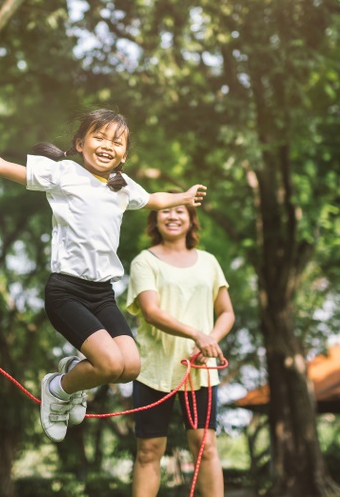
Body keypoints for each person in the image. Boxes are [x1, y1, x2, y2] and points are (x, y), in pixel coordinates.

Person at [0, 106, 207, 442]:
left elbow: (153, 199)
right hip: (67, 292)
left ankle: (73, 373)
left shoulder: (122, 186)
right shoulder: (63, 173)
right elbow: (1, 166)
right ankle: (57, 389)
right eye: (99, 137)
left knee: (130, 367)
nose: (108, 145)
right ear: (80, 143)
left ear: (124, 155)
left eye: (117, 142)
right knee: (109, 364)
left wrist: (183, 197)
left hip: (102, 294)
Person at [126, 201, 234, 497]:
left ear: (191, 219)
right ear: (155, 219)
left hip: (201, 370)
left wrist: (210, 340)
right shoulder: (144, 261)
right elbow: (151, 312)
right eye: (165, 210)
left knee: (206, 446)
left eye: (179, 211)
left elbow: (226, 312)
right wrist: (197, 335)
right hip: (154, 369)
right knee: (149, 450)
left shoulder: (209, 262)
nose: (172, 216)